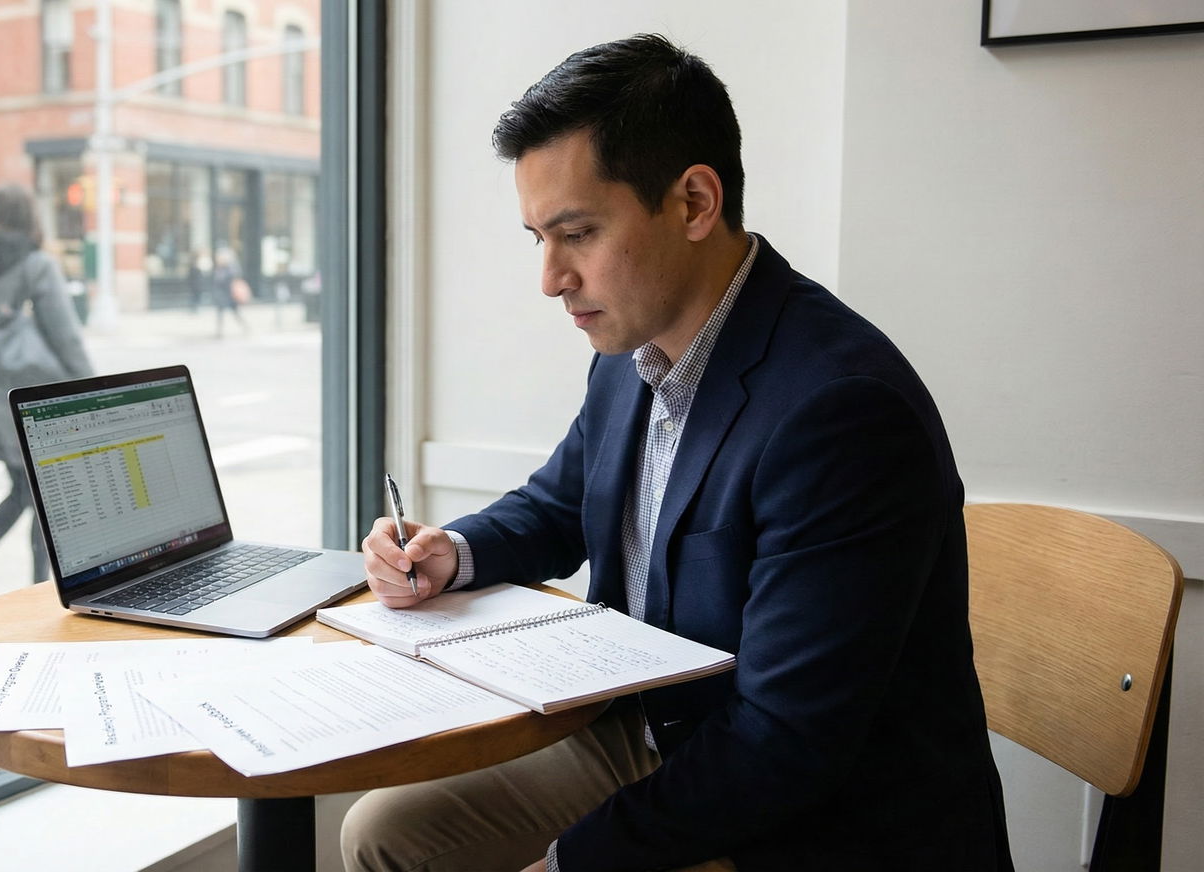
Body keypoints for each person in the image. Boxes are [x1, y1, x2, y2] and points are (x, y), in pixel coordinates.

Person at [342, 35, 1012, 872]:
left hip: (817, 817)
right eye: (537, 237)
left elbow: (783, 746)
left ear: (695, 202)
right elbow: (560, 503)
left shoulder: (840, 413)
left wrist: (564, 865)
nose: (551, 278)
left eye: (577, 233)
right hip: (661, 730)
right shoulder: (632, 353)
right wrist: (455, 552)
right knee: (382, 834)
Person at [0, 183, 94, 609]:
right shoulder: (36, 266)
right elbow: (65, 338)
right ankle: (39, 592)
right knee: (42, 496)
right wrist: (93, 393)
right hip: (31, 401)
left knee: (26, 491)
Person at [210, 245, 250, 337]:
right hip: (221, 295)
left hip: (230, 295)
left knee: (235, 313)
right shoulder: (219, 268)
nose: (218, 259)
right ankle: (219, 331)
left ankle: (245, 326)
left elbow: (233, 278)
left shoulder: (231, 268)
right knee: (220, 313)